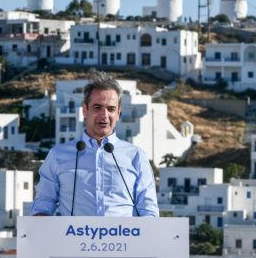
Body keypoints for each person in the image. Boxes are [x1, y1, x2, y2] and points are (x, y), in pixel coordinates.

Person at [30, 72, 159, 217]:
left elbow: (149, 211)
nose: (104, 115)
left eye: (111, 109)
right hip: (73, 239)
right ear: (85, 110)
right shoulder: (57, 155)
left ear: (119, 113)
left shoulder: (136, 156)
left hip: (124, 239)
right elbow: (42, 205)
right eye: (97, 107)